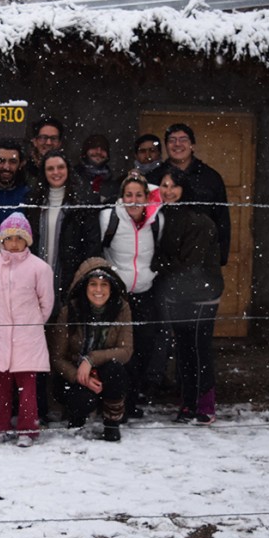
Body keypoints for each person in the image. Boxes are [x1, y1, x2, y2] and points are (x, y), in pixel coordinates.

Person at [153, 168, 224, 425]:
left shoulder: (198, 221)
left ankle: (205, 404)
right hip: (177, 294)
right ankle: (187, 403)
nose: (169, 191)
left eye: (174, 186)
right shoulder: (161, 217)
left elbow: (189, 265)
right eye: (164, 186)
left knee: (199, 348)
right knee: (183, 349)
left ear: (184, 190)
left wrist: (159, 262)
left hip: (201, 294)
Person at [0, 213, 54, 447]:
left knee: (27, 387)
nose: (14, 243)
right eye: (9, 238)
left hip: (27, 336)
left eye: (19, 238)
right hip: (0, 334)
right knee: (0, 384)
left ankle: (27, 429)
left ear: (27, 241)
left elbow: (46, 303)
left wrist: (30, 324)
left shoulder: (39, 268)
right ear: (2, 240)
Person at [100, 173, 163, 419]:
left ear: (147, 197)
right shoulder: (109, 218)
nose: (134, 200)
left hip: (145, 294)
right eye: (129, 195)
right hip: (118, 296)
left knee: (143, 348)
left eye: (139, 195)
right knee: (119, 351)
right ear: (121, 196)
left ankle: (133, 399)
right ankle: (117, 401)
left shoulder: (157, 220)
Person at [49, 258, 132, 442]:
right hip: (74, 372)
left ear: (112, 288)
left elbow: (125, 351)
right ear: (84, 287)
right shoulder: (70, 311)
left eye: (104, 285)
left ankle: (112, 423)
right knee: (81, 398)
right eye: (93, 284)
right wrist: (80, 376)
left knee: (115, 370)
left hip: (103, 369)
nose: (99, 290)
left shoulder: (121, 308)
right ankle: (76, 418)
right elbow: (57, 358)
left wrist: (91, 359)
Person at [23, 148, 101, 310]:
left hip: (69, 278)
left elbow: (91, 244)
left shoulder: (82, 202)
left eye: (60, 167)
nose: (56, 172)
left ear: (68, 169)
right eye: (50, 169)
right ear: (43, 173)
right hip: (35, 278)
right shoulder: (34, 201)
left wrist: (81, 276)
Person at [150, 123, 231, 265]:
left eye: (183, 140)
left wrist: (220, 256)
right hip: (161, 259)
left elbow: (222, 219)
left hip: (201, 257)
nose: (177, 144)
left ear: (192, 145)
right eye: (172, 140)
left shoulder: (210, 178)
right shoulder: (154, 178)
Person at [0, 139, 30, 222]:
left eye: (12, 162)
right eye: (1, 161)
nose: (6, 167)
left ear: (21, 164)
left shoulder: (27, 195)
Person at [79, 134, 123, 200]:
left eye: (103, 149)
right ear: (85, 151)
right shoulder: (73, 177)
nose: (98, 152)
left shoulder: (113, 185)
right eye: (94, 147)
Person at [26, 116, 64, 185]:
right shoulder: (24, 172)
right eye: (43, 138)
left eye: (53, 138)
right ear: (35, 141)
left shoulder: (67, 172)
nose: (48, 143)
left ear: (59, 143)